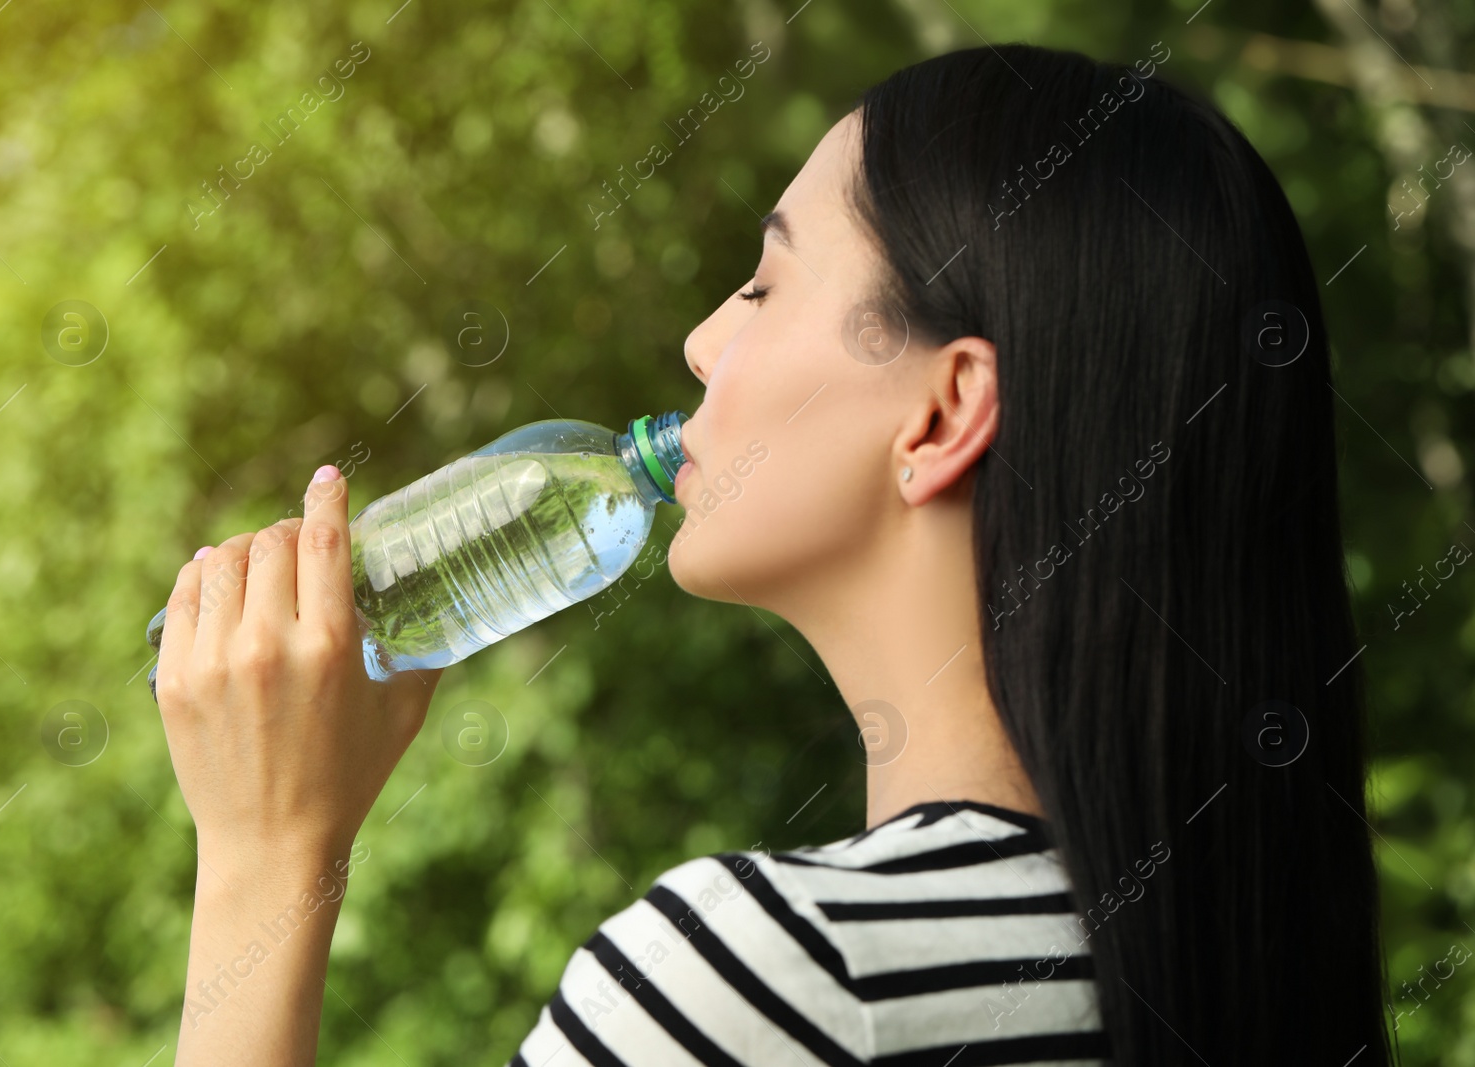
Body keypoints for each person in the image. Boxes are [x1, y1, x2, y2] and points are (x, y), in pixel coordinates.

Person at [153, 42, 1394, 1067]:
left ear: (943, 413)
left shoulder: (770, 976)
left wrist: (267, 858)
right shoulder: (1245, 962)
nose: (700, 341)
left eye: (761, 286)